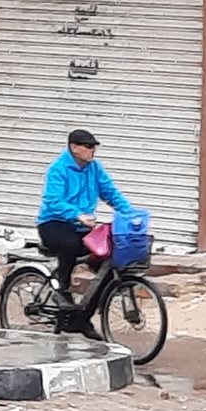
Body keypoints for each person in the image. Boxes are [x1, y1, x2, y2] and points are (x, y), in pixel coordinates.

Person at [38, 128, 131, 316]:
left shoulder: (94, 168)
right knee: (70, 244)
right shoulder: (58, 169)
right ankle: (61, 289)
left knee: (107, 251)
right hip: (53, 223)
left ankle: (85, 312)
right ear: (74, 148)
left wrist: (130, 213)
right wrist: (77, 214)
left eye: (94, 146)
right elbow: (53, 200)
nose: (92, 150)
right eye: (88, 146)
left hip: (82, 225)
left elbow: (110, 193)